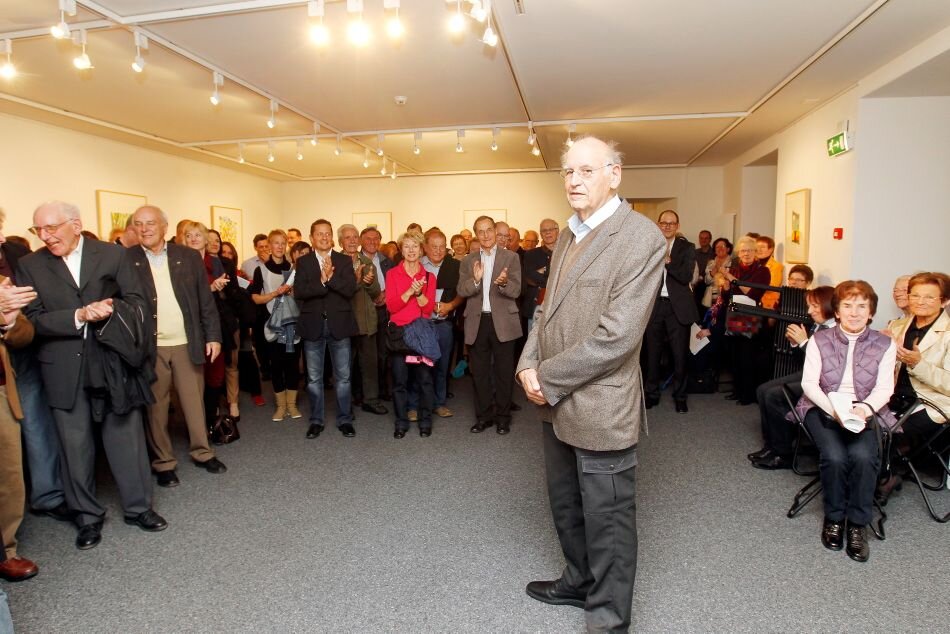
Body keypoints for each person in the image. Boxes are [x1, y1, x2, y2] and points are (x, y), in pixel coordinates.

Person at [517, 136, 665, 633]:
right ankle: (578, 581)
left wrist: (545, 377)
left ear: (614, 174)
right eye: (568, 172)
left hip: (601, 405)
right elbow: (546, 310)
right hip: (555, 402)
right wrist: (526, 363)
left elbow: (616, 338)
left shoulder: (641, 238)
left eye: (586, 171)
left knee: (609, 522)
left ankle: (608, 620)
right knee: (566, 506)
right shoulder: (567, 233)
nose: (574, 181)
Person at [19, 201, 166, 550]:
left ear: (75, 225)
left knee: (125, 437)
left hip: (112, 362)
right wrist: (79, 315)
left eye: (51, 228)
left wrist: (113, 311)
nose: (45, 236)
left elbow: (139, 301)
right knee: (74, 446)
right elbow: (32, 320)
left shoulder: (113, 255)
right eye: (38, 230)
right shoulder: (30, 265)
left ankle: (139, 508)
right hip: (62, 367)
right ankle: (86, 517)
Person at [794, 280, 896, 563]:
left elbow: (884, 388)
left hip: (865, 409)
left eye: (862, 306)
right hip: (822, 406)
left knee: (864, 456)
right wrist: (836, 410)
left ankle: (858, 524)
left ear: (871, 312)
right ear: (837, 311)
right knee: (835, 457)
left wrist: (863, 409)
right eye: (847, 306)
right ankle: (835, 518)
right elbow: (809, 385)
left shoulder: (885, 344)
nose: (854, 312)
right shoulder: (819, 340)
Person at [129, 207, 226, 488]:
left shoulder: (187, 256)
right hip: (151, 346)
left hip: (186, 341)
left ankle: (203, 452)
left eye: (150, 223)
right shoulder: (127, 259)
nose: (145, 229)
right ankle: (163, 463)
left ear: (164, 226)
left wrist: (213, 336)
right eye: (139, 224)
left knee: (194, 402)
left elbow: (204, 300)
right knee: (156, 407)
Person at [0, 209, 70, 524]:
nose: (3, 237)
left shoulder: (17, 253)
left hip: (23, 348)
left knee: (37, 424)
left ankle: (47, 494)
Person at [750, 286, 837, 470]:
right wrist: (797, 345)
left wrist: (804, 343)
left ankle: (783, 454)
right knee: (762, 390)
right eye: (809, 306)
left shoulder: (837, 330)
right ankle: (771, 446)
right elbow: (804, 362)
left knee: (774, 395)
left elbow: (826, 367)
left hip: (823, 383)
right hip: (807, 374)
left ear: (828, 305)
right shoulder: (818, 325)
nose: (809, 311)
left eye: (814, 306)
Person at [457, 215, 522, 435]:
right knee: (480, 373)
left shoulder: (511, 257)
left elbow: (516, 290)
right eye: (480, 231)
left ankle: (503, 418)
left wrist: (504, 284)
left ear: (495, 231)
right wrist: (475, 280)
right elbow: (461, 290)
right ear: (476, 235)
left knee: (504, 372)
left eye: (489, 230)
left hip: (503, 322)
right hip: (478, 322)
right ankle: (484, 417)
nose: (485, 235)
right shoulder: (468, 261)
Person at [294, 220, 359, 439]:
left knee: (343, 377)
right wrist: (321, 283)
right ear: (311, 238)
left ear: (332, 237)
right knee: (314, 379)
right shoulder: (303, 262)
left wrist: (330, 279)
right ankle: (316, 420)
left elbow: (350, 289)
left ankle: (345, 419)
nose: (324, 237)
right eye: (319, 234)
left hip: (339, 325)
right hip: (313, 326)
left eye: (327, 234)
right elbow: (299, 292)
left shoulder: (343, 260)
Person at [183, 222, 243, 430]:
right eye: (189, 235)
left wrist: (219, 289)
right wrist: (210, 288)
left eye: (197, 235)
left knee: (215, 375)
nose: (193, 239)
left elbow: (228, 293)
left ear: (205, 239)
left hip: (216, 323)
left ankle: (210, 420)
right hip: (190, 326)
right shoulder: (179, 264)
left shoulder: (216, 262)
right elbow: (184, 297)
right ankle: (196, 425)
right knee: (192, 377)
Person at [0, 277, 40, 582]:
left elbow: (25, 335)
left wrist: (9, 321)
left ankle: (6, 550)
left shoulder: (2, 285)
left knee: (9, 473)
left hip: (1, 390)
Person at [885, 272, 949, 457]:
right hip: (894, 397)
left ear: (944, 301)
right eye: (915, 295)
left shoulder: (947, 333)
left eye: (929, 297)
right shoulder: (897, 326)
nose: (920, 302)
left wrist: (918, 364)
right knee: (855, 427)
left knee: (884, 436)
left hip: (931, 403)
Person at [644, 210, 698, 413]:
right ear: (658, 224)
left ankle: (680, 397)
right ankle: (651, 394)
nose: (667, 226)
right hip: (654, 306)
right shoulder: (649, 246)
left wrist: (668, 261)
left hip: (678, 308)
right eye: (663, 223)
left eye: (671, 223)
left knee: (679, 355)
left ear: (677, 226)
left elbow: (685, 277)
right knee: (652, 353)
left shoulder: (687, 247)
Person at [386, 230, 437, 438]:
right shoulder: (392, 274)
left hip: (421, 336)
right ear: (401, 249)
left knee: (424, 380)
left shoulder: (429, 276)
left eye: (415, 246)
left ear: (421, 250)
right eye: (406, 246)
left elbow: (428, 309)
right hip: (399, 336)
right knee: (400, 382)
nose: (411, 250)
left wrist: (419, 293)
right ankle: (401, 422)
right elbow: (391, 307)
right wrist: (408, 292)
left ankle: (425, 421)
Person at [408, 229, 462, 419]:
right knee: (417, 365)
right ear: (425, 247)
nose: (438, 251)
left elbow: (462, 292)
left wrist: (451, 305)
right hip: (419, 324)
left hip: (443, 324)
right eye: (434, 247)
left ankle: (439, 403)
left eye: (442, 247)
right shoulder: (415, 264)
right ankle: (413, 405)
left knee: (442, 365)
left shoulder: (455, 266)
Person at [250, 229, 302, 422]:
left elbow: (302, 296)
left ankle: (292, 405)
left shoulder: (294, 269)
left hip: (292, 323)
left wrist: (291, 293)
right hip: (271, 325)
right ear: (269, 246)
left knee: (292, 365)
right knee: (276, 365)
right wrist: (275, 293)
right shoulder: (261, 270)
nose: (279, 246)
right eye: (276, 243)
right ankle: (281, 407)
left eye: (282, 243)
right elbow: (255, 298)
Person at [338, 224, 387, 416]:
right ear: (340, 241)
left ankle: (371, 400)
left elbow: (375, 292)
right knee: (345, 367)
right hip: (344, 322)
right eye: (347, 237)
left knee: (369, 364)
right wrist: (357, 282)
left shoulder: (367, 262)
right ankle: (346, 403)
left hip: (366, 321)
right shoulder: (334, 263)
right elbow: (338, 291)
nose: (352, 241)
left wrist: (370, 283)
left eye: (355, 237)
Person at [720, 235, 772, 404]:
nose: (746, 254)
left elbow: (752, 293)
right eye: (743, 251)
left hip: (751, 316)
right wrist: (725, 287)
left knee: (747, 357)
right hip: (735, 314)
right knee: (734, 355)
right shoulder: (735, 270)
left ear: (755, 253)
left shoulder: (762, 271)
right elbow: (727, 296)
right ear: (739, 253)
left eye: (749, 250)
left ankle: (747, 394)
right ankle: (737, 390)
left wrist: (731, 279)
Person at [361, 227, 396, 401]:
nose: (372, 242)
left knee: (383, 352)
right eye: (368, 238)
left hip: (384, 311)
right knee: (365, 354)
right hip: (364, 312)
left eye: (376, 238)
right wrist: (373, 298)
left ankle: (382, 389)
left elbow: (395, 283)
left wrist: (385, 295)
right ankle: (363, 393)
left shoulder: (387, 261)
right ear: (361, 240)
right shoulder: (354, 260)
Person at [522, 218, 558, 330]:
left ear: (557, 231)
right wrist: (554, 275)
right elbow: (529, 278)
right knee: (533, 339)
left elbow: (566, 278)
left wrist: (543, 271)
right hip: (536, 306)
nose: (547, 233)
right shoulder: (531, 254)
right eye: (544, 230)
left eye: (551, 229)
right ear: (541, 234)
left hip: (558, 306)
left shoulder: (566, 253)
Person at [701, 237, 732, 309]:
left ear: (728, 249)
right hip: (710, 299)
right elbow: (707, 281)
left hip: (726, 298)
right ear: (715, 250)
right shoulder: (711, 263)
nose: (720, 249)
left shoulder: (733, 263)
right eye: (717, 247)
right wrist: (714, 271)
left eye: (723, 246)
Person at [756, 236, 783, 310]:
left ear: (771, 249)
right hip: (753, 301)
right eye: (757, 247)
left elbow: (772, 286)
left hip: (767, 304)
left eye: (762, 247)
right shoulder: (753, 263)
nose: (759, 250)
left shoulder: (776, 266)